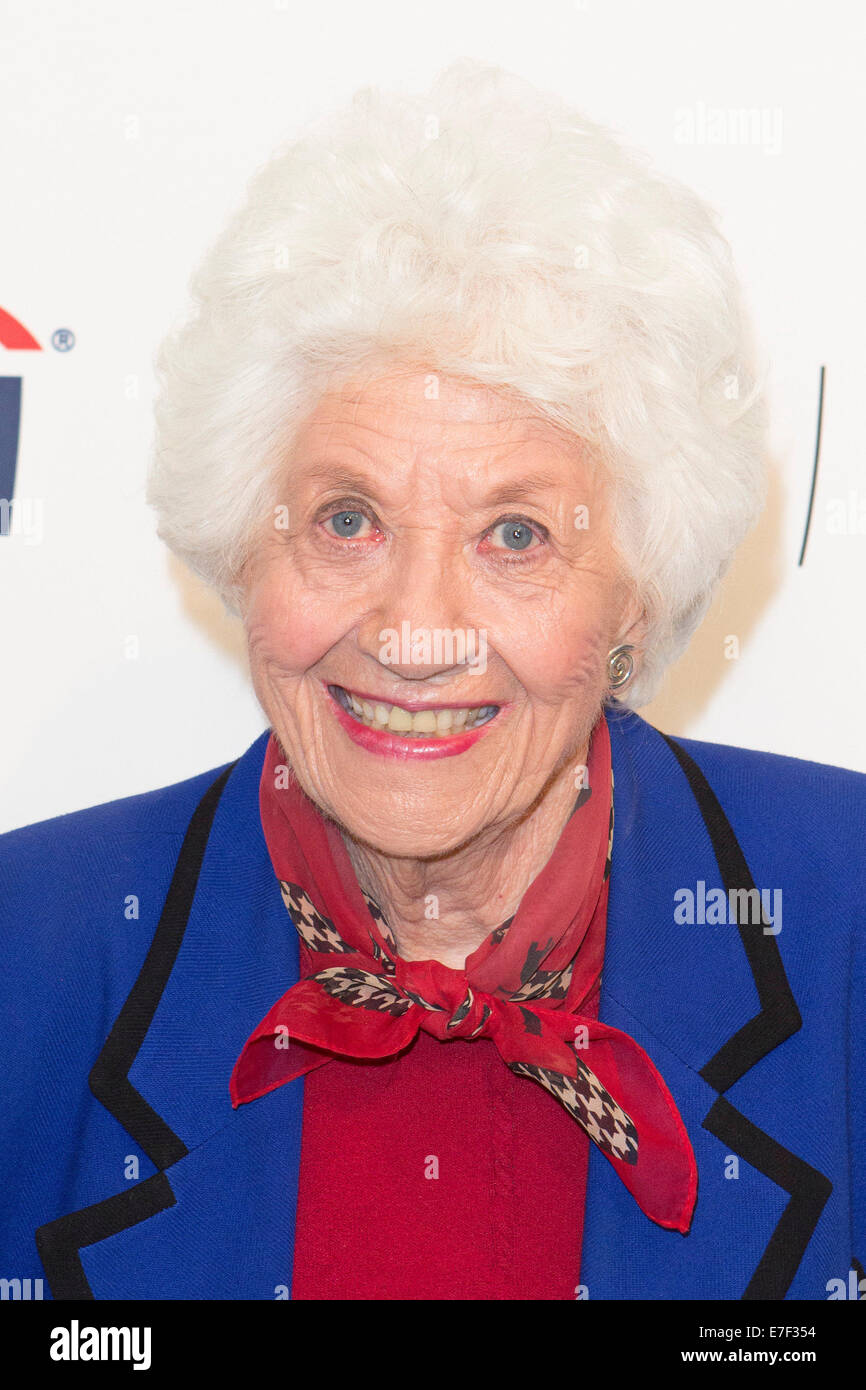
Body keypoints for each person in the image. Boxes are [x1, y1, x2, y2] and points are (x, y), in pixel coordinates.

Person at [1, 59, 863, 1302]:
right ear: (245, 544)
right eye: (347, 520)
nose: (413, 633)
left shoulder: (836, 933)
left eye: (515, 534)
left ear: (633, 593)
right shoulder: (30, 949)